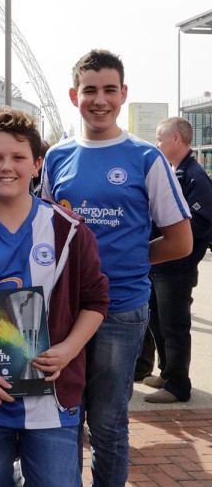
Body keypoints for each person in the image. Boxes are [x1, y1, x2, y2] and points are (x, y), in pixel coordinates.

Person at [0, 106, 110, 486]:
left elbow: (95, 302)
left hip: (52, 402)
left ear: (37, 164)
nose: (6, 166)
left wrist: (69, 350)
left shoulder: (69, 231)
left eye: (18, 157)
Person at [41, 50, 192, 486]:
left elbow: (180, 242)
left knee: (107, 425)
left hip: (121, 310)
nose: (100, 99)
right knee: (63, 418)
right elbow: (48, 231)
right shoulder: (56, 157)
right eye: (90, 90)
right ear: (74, 95)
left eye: (110, 89)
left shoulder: (146, 158)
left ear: (123, 94)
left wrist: (123, 263)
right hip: (65, 310)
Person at [137, 117, 212, 404]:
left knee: (174, 326)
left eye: (160, 138)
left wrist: (168, 243)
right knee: (158, 322)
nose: (157, 144)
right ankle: (168, 372)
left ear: (177, 139)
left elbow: (198, 225)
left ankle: (179, 384)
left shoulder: (195, 176)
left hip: (177, 268)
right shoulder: (174, 172)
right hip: (161, 267)